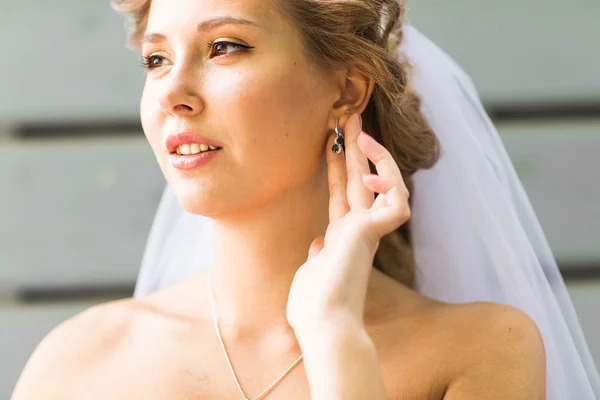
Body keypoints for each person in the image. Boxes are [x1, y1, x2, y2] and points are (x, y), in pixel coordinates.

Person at [11, 0, 600, 399]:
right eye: (156, 59)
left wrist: (334, 334)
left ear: (345, 90)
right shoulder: (76, 364)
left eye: (224, 47)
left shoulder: (480, 350)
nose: (173, 94)